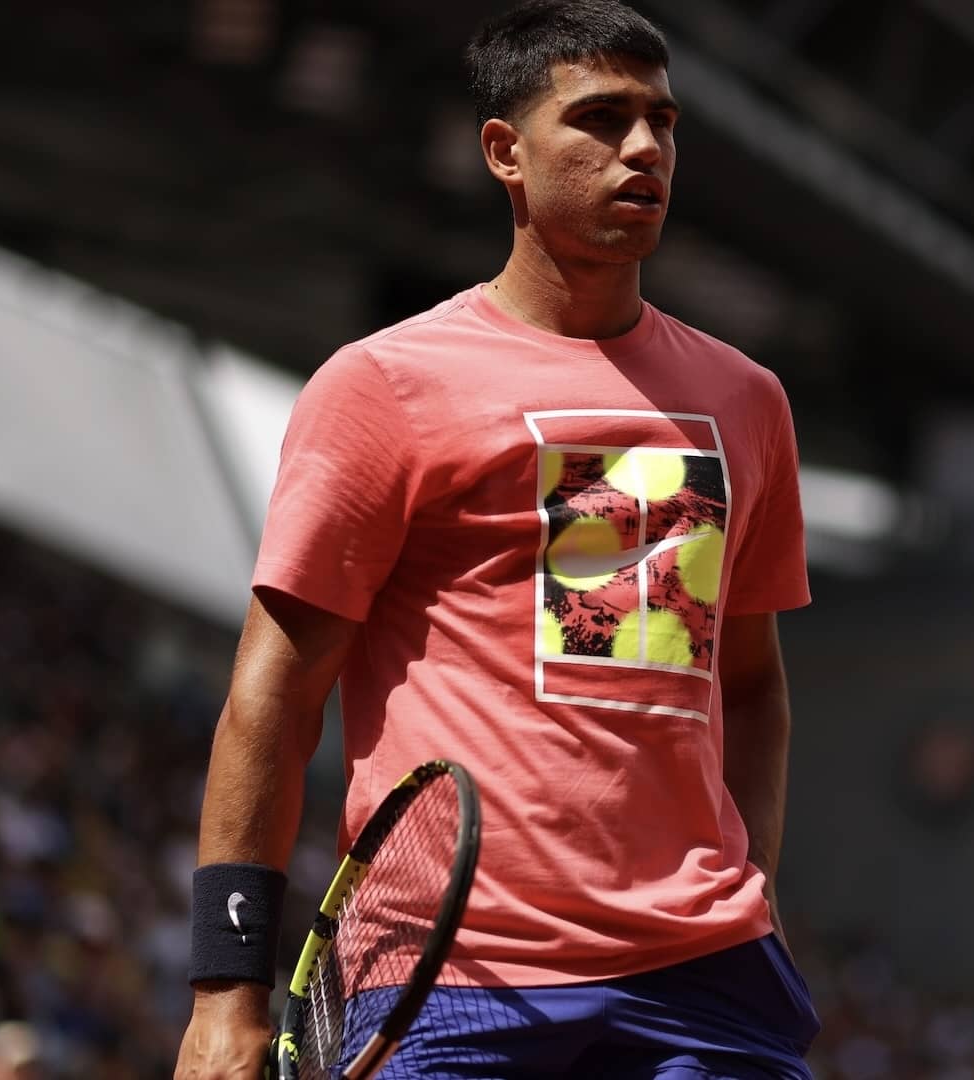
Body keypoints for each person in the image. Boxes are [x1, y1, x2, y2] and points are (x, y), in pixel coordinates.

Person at [172, 1, 817, 1077]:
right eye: (602, 120)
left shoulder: (747, 403)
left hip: (705, 982)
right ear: (504, 153)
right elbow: (274, 696)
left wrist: (747, 887)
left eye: (663, 121)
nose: (645, 149)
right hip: (449, 978)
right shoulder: (383, 387)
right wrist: (222, 993)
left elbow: (750, 687)